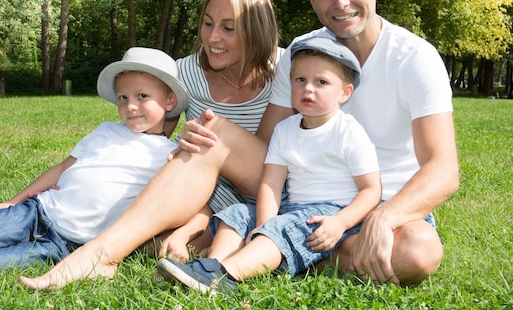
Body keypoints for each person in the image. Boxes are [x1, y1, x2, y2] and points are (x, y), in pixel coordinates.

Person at [19, 0, 459, 290]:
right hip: (299, 194)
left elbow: (443, 170)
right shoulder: (299, 56)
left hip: (378, 199)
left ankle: (268, 257)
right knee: (211, 131)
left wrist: (384, 216)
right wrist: (210, 157)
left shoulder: (413, 58)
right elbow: (268, 150)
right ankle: (101, 254)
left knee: (419, 254)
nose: (339, 2)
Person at [0, 47, 189, 273]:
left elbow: (171, 206)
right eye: (123, 97)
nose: (130, 106)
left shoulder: (169, 157)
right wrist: (14, 202)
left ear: (168, 100)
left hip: (68, 246)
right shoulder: (106, 131)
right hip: (41, 213)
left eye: (143, 96)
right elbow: (62, 168)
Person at [155, 35, 382, 293]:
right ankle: (211, 265)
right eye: (300, 80)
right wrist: (263, 226)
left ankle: (225, 277)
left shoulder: (348, 132)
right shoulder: (285, 130)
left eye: (321, 82)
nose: (308, 88)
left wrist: (341, 221)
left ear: (345, 92)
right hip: (292, 207)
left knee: (285, 229)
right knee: (238, 214)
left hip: (332, 215)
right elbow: (271, 183)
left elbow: (371, 190)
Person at [154, 0, 282, 261]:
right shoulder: (185, 73)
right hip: (208, 196)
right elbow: (152, 140)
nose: (212, 38)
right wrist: (180, 142)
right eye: (208, 23)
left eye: (228, 28)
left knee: (215, 133)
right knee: (156, 244)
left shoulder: (287, 71)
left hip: (271, 191)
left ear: (256, 31)